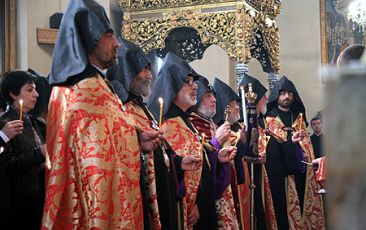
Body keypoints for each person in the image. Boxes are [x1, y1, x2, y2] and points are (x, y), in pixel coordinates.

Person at [42, 1, 161, 229]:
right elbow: (75, 164)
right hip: (92, 213)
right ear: (90, 39)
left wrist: (138, 140)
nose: (117, 44)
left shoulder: (101, 86)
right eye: (109, 36)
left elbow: (106, 141)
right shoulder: (72, 91)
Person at [108, 39, 200, 230]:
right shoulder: (121, 110)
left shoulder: (142, 109)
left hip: (163, 189)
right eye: (144, 69)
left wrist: (178, 162)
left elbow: (161, 150)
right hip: (143, 194)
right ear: (129, 71)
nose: (150, 75)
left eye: (150, 69)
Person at [148, 53, 236, 230]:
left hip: (203, 207)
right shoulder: (168, 125)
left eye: (194, 81)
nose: (195, 86)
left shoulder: (186, 121)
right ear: (173, 87)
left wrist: (217, 158)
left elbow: (198, 167)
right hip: (188, 212)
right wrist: (190, 204)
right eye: (188, 81)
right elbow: (172, 173)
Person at [265, 76, 325, 229]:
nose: (286, 96)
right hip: (281, 174)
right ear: (277, 96)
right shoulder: (270, 120)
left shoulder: (299, 120)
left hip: (302, 173)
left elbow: (307, 146)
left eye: (290, 93)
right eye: (283, 93)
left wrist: (302, 151)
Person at [189, 75, 239, 229]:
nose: (214, 100)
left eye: (214, 96)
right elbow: (197, 163)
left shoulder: (211, 124)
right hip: (201, 199)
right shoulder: (192, 123)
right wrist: (215, 143)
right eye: (208, 96)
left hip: (220, 192)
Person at [0, 70, 46, 229]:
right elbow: (10, 168)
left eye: (35, 89)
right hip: (18, 204)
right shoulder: (4, 125)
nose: (36, 94)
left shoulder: (36, 123)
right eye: (29, 90)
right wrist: (40, 153)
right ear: (13, 93)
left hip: (40, 198)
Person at [238, 74, 278, 230]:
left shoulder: (262, 122)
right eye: (263, 97)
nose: (266, 100)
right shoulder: (243, 125)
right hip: (250, 179)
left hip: (265, 177)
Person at [212, 77, 250, 230]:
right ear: (225, 107)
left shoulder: (236, 127)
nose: (237, 108)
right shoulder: (217, 129)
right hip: (225, 188)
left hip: (240, 184)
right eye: (234, 104)